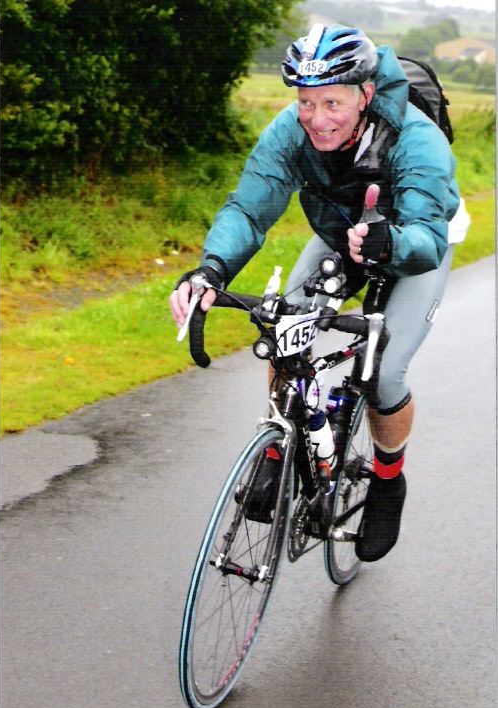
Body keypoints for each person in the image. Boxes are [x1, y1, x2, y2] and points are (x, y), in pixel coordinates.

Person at [169, 24, 469, 562]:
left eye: (332, 102)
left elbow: (427, 235)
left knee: (385, 371)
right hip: (339, 237)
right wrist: (210, 271)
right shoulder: (290, 131)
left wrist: (388, 241)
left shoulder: (415, 139)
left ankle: (387, 481)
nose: (317, 118)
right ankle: (280, 446)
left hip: (415, 244)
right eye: (306, 102)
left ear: (366, 94)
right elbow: (248, 208)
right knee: (287, 326)